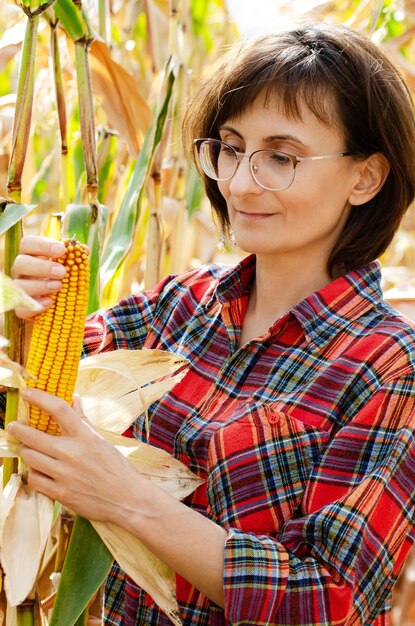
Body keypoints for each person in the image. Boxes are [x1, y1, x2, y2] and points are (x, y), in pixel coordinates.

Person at [7, 20, 415, 626]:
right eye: (229, 146)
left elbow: (332, 600)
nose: (241, 182)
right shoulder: (179, 305)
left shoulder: (389, 366)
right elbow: (32, 395)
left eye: (281, 156)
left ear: (366, 177)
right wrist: (23, 308)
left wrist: (125, 497)